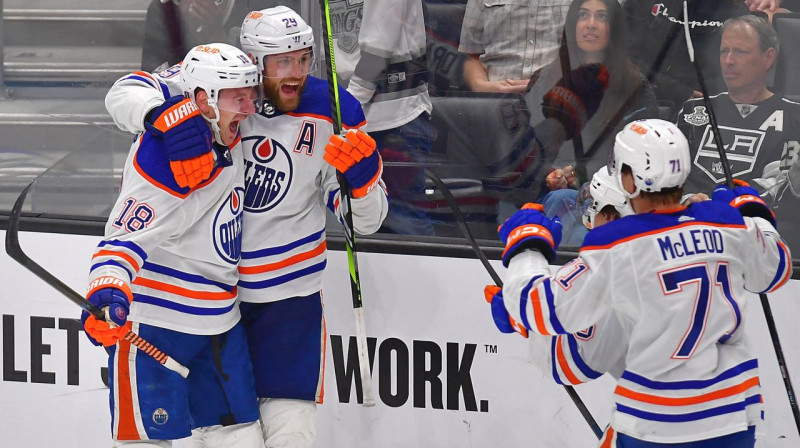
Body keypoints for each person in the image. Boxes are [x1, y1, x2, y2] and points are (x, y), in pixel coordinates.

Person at [105, 6, 388, 447]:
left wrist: (365, 182)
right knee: (215, 429)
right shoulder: (220, 76)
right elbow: (126, 91)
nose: (295, 73)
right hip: (218, 298)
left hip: (287, 298)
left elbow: (365, 223)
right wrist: (159, 114)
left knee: (288, 432)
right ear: (254, 61)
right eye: (282, 62)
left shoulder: (333, 108)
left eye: (303, 58)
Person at [494, 118, 792, 446]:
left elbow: (542, 313)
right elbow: (776, 268)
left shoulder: (616, 246)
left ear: (629, 181)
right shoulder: (727, 225)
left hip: (659, 423)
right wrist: (754, 212)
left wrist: (527, 248)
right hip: (735, 416)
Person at [82, 42, 263, 447]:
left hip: (220, 319)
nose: (251, 110)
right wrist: (105, 290)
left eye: (252, 96)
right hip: (159, 321)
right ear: (204, 101)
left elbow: (155, 81)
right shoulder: (167, 159)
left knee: (242, 436)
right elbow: (122, 240)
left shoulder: (205, 91)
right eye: (240, 99)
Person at [522, 0, 658, 246]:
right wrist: (548, 174)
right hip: (543, 192)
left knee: (567, 207)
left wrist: (582, 174)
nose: (591, 25)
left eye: (601, 17)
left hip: (611, 198)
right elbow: (524, 146)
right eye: (583, 15)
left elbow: (644, 157)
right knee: (561, 202)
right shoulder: (544, 80)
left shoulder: (636, 88)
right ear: (573, 25)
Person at [677, 15, 800, 251]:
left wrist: (722, 204)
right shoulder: (693, 111)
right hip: (688, 236)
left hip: (757, 241)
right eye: (724, 51)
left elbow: (784, 185)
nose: (729, 61)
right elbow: (667, 176)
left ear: (768, 57)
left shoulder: (795, 117)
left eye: (740, 52)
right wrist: (686, 200)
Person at [334, 0, 435, 235]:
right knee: (358, 224)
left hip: (393, 121)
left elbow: (380, 46)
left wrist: (347, 108)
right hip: (346, 119)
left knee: (404, 228)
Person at [623, 0, 752, 117]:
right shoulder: (641, 4)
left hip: (706, 112)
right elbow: (626, 60)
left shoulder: (735, 10)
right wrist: (678, 92)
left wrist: (703, 98)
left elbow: (740, 70)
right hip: (641, 104)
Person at [458, 0, 574, 93]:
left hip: (558, 95)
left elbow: (586, 52)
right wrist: (481, 86)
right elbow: (470, 54)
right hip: (494, 97)